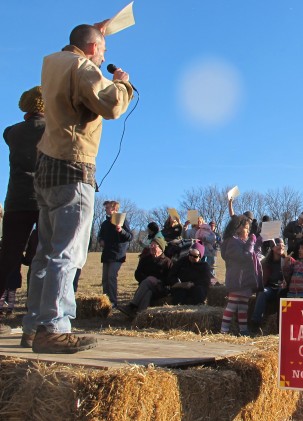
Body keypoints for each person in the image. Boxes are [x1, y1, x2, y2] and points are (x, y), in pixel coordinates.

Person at [21, 22, 134, 353]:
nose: (103, 58)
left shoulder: (53, 62)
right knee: (67, 252)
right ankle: (54, 327)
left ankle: (33, 325)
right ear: (92, 49)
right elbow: (110, 106)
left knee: (45, 253)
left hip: (47, 165)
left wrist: (95, 34)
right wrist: (122, 85)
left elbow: (81, 40)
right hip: (73, 165)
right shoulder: (82, 67)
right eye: (102, 51)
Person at [0, 86, 45, 331]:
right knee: (41, 256)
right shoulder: (51, 129)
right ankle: (35, 310)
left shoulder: (11, 132)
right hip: (42, 199)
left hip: (15, 200)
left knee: (8, 255)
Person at [220, 215, 262, 336]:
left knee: (243, 307)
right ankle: (224, 331)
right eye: (246, 228)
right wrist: (251, 241)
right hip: (237, 279)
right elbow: (245, 256)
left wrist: (257, 241)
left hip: (245, 279)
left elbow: (253, 253)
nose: (248, 231)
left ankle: (243, 330)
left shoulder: (242, 241)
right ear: (238, 229)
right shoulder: (232, 242)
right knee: (232, 305)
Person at [117, 237, 173, 319]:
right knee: (148, 292)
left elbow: (170, 279)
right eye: (151, 245)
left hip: (160, 288)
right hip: (145, 287)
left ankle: (132, 306)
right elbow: (137, 274)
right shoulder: (145, 259)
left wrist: (158, 281)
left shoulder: (168, 262)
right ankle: (140, 316)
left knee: (148, 282)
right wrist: (147, 279)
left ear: (161, 248)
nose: (151, 247)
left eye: (154, 245)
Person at [97, 200, 132, 307]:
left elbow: (130, 237)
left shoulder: (122, 221)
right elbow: (100, 236)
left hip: (117, 254)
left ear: (114, 209)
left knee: (111, 277)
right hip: (107, 253)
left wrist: (121, 230)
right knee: (105, 279)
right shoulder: (105, 223)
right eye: (105, 207)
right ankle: (105, 301)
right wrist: (100, 240)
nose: (105, 209)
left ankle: (113, 301)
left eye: (107, 207)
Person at [250, 238, 287, 335]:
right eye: (278, 244)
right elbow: (259, 278)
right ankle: (255, 322)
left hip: (282, 288)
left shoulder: (287, 260)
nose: (281, 246)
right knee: (263, 293)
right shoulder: (265, 263)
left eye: (283, 245)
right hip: (270, 288)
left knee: (283, 294)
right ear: (272, 247)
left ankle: (283, 325)